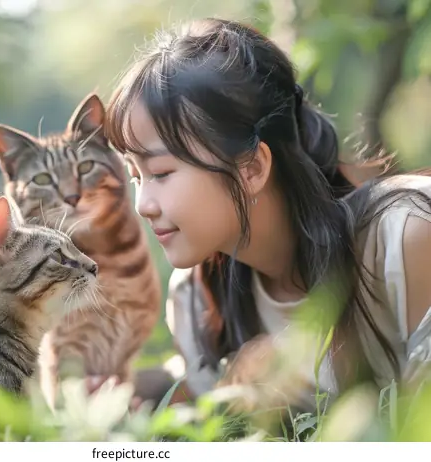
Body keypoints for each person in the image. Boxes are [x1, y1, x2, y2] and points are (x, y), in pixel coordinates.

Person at [87, 17, 431, 414]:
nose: (142, 204)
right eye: (135, 176)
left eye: (161, 173)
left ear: (251, 168)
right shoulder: (198, 297)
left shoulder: (405, 238)